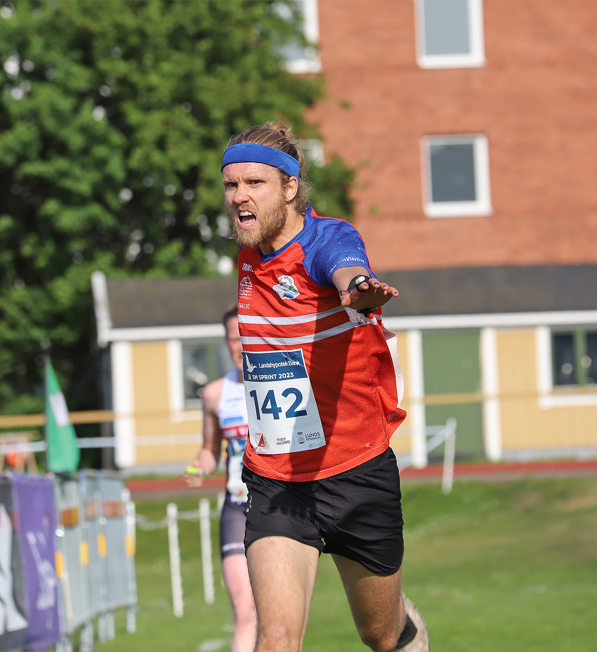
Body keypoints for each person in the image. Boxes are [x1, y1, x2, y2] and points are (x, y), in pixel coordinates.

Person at [221, 122, 428, 652]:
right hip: (277, 476)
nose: (239, 197)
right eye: (230, 185)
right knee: (276, 639)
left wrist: (359, 290)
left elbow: (343, 267)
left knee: (381, 634)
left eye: (253, 183)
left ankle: (409, 632)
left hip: (356, 470)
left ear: (290, 188)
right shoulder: (248, 253)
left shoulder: (327, 238)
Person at [185, 306, 257, 652]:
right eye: (233, 337)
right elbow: (209, 450)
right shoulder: (215, 394)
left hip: (281, 506)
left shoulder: (286, 382)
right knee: (245, 611)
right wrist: (199, 467)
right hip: (237, 510)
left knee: (277, 616)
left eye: (246, 334)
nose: (241, 344)